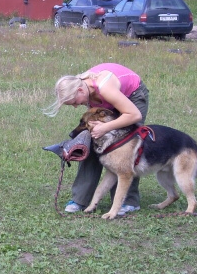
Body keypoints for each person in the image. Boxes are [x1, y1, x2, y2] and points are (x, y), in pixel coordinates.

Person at [44, 63, 149, 216]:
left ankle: (128, 201)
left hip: (132, 97)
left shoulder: (105, 88)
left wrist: (106, 127)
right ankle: (81, 199)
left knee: (125, 147)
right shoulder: (83, 87)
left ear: (80, 90)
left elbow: (134, 115)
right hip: (107, 98)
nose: (75, 106)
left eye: (74, 102)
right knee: (92, 141)